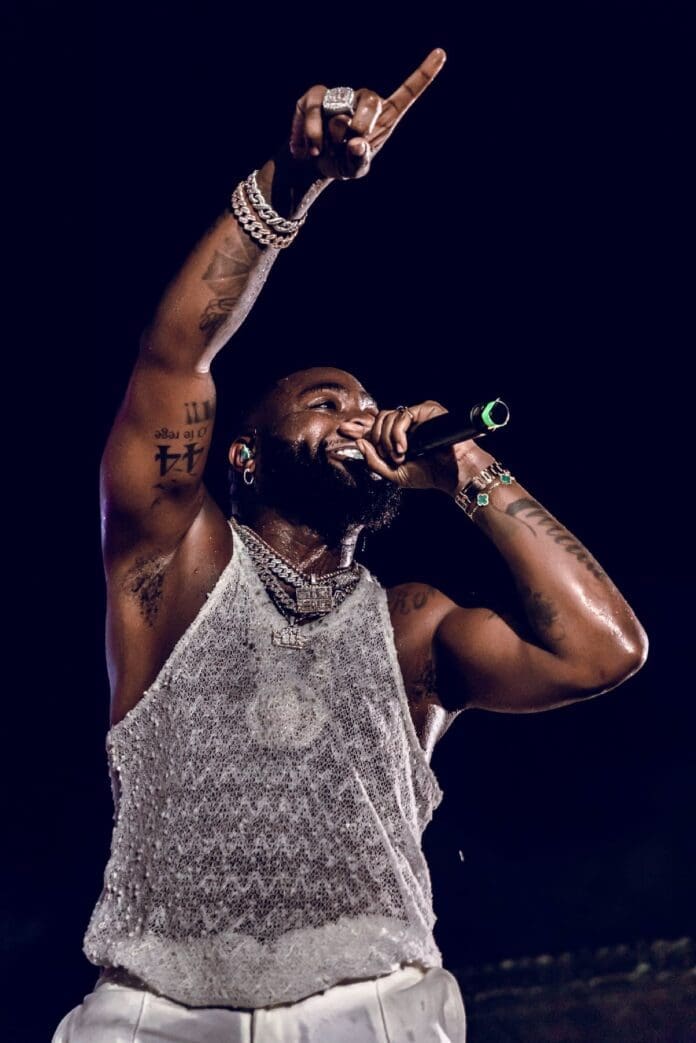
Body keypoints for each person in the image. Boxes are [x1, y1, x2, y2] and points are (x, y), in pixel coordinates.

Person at [53, 48, 648, 1043]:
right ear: (243, 454)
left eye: (367, 404)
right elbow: (174, 354)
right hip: (157, 1015)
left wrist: (466, 470)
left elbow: (603, 652)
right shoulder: (178, 565)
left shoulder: (411, 626)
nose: (360, 415)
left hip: (369, 1005)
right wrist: (292, 185)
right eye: (327, 402)